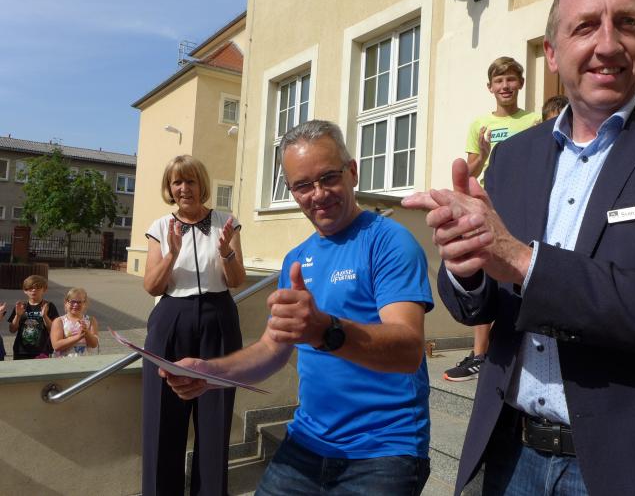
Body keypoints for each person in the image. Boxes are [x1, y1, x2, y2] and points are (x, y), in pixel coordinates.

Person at [403, 0, 635, 495]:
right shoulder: (514, 155)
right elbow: (479, 306)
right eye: (586, 26)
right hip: (513, 455)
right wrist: (466, 265)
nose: (608, 44)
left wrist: (524, 262)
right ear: (551, 52)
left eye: (627, 24)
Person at [161, 120, 434, 496]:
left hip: (384, 451)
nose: (318, 194)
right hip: (307, 442)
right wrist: (210, 372)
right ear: (291, 190)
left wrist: (326, 330)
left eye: (329, 178)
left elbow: (408, 350)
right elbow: (272, 350)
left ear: (352, 173)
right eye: (303, 185)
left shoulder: (390, 242)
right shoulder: (297, 259)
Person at [141, 154, 246, 496]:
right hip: (172, 318)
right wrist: (171, 253)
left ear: (202, 184)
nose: (184, 188)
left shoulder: (226, 222)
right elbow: (152, 286)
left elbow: (236, 281)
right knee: (163, 417)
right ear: (169, 188)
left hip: (219, 318)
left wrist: (226, 252)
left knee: (215, 416)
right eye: (177, 182)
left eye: (190, 181)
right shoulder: (160, 226)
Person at [445, 57, 539, 382]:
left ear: (520, 84)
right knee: (485, 273)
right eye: (499, 81)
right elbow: (469, 171)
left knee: (521, 272)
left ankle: (525, 346)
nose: (505, 86)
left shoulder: (534, 120)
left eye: (511, 79)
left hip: (524, 203)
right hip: (488, 204)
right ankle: (480, 354)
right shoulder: (479, 124)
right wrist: (483, 154)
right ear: (490, 87)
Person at [7, 275, 59, 360]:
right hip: (21, 351)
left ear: (44, 290)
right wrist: (18, 315)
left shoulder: (49, 306)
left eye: (38, 288)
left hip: (42, 350)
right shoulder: (21, 306)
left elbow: (53, 330)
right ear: (25, 291)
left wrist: (45, 316)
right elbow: (12, 329)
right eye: (30, 288)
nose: (34, 290)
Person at [50, 287, 99, 357]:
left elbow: (94, 344)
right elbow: (56, 346)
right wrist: (79, 337)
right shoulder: (59, 321)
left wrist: (86, 333)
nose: (75, 305)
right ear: (66, 302)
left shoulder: (91, 320)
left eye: (79, 302)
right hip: (65, 361)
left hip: (86, 361)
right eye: (72, 301)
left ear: (85, 303)